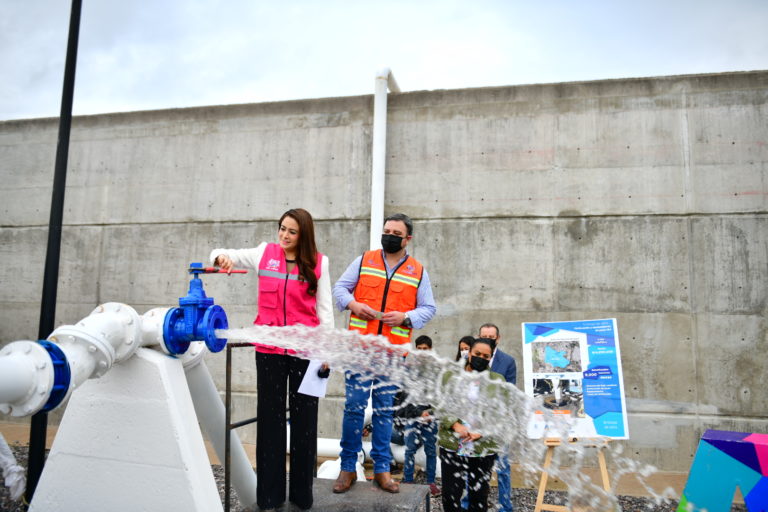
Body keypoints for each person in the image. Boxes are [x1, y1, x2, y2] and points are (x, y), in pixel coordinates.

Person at [210, 208, 333, 512]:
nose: (284, 235)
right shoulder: (264, 253)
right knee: (270, 421)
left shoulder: (319, 262)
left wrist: (326, 352)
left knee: (305, 424)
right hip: (269, 352)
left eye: (292, 231)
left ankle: (302, 498)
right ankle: (270, 497)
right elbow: (222, 252)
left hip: (305, 353)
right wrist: (220, 259)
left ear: (303, 234)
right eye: (281, 229)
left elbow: (325, 310)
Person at [331, 213, 437, 494]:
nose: (389, 235)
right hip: (360, 352)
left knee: (384, 413)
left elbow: (429, 308)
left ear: (407, 239)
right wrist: (353, 305)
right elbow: (339, 288)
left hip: (392, 356)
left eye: (395, 232)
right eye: (386, 230)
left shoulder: (418, 271)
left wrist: (406, 316)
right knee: (354, 409)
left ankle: (382, 470)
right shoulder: (364, 260)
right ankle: (347, 468)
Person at [438, 337, 506, 512]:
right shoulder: (449, 375)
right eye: (477, 354)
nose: (480, 358)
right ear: (469, 353)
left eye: (486, 356)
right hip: (453, 444)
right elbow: (438, 403)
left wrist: (482, 431)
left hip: (482, 446)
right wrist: (454, 424)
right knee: (451, 495)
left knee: (478, 497)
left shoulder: (497, 380)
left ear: (490, 358)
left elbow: (503, 413)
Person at [391, 335, 440, 496]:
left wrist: (429, 413)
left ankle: (431, 482)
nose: (422, 352)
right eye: (419, 349)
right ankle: (407, 480)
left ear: (431, 350)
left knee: (431, 451)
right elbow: (405, 398)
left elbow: (440, 398)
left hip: (430, 420)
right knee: (409, 449)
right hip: (412, 417)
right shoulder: (408, 370)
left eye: (425, 349)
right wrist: (419, 413)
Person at [479, 323, 516, 512]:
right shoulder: (473, 358)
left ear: (498, 339)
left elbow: (509, 394)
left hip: (499, 424)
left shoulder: (507, 361)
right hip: (475, 423)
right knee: (475, 467)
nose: (487, 339)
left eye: (491, 337)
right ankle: (472, 503)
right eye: (483, 336)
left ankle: (505, 506)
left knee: (502, 468)